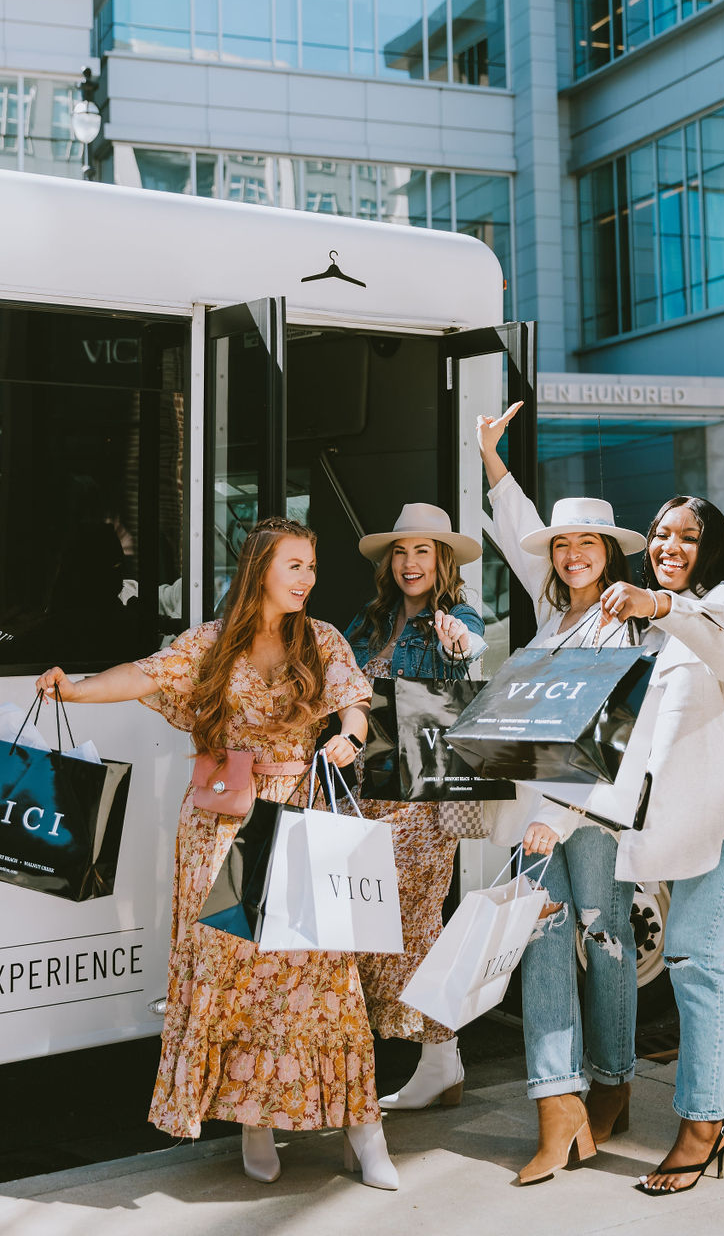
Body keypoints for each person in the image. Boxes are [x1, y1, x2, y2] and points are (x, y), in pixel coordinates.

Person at [35, 517, 399, 1191]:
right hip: (224, 821)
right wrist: (74, 689)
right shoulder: (210, 643)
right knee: (235, 975)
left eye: (310, 567)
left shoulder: (320, 640)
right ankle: (254, 1123)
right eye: (294, 566)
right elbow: (144, 675)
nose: (306, 579)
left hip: (298, 814)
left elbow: (355, 698)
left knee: (326, 977)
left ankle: (363, 1129)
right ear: (261, 568)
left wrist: (348, 735)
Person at [597, 494, 724, 1196]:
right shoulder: (650, 628)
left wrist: (658, 607)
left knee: (690, 954)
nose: (669, 547)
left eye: (687, 537)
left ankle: (700, 1125)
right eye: (659, 535)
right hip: (683, 822)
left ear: (711, 548)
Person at [477, 403, 648, 1185]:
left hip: (590, 816)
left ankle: (612, 1082)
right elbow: (519, 534)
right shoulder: (551, 614)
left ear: (611, 554)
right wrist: (491, 456)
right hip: (534, 815)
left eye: (589, 545)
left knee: (608, 949)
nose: (575, 555)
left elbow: (613, 732)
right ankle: (558, 1108)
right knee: (542, 949)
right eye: (566, 545)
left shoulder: (623, 626)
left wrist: (561, 815)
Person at [344, 503, 485, 1113]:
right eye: (401, 552)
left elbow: (471, 648)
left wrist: (460, 644)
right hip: (363, 791)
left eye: (422, 551)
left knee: (413, 929)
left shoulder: (456, 617)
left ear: (442, 560)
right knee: (374, 926)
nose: (409, 563)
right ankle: (439, 1062)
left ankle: (436, 1059)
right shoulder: (371, 620)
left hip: (426, 800)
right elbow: (337, 677)